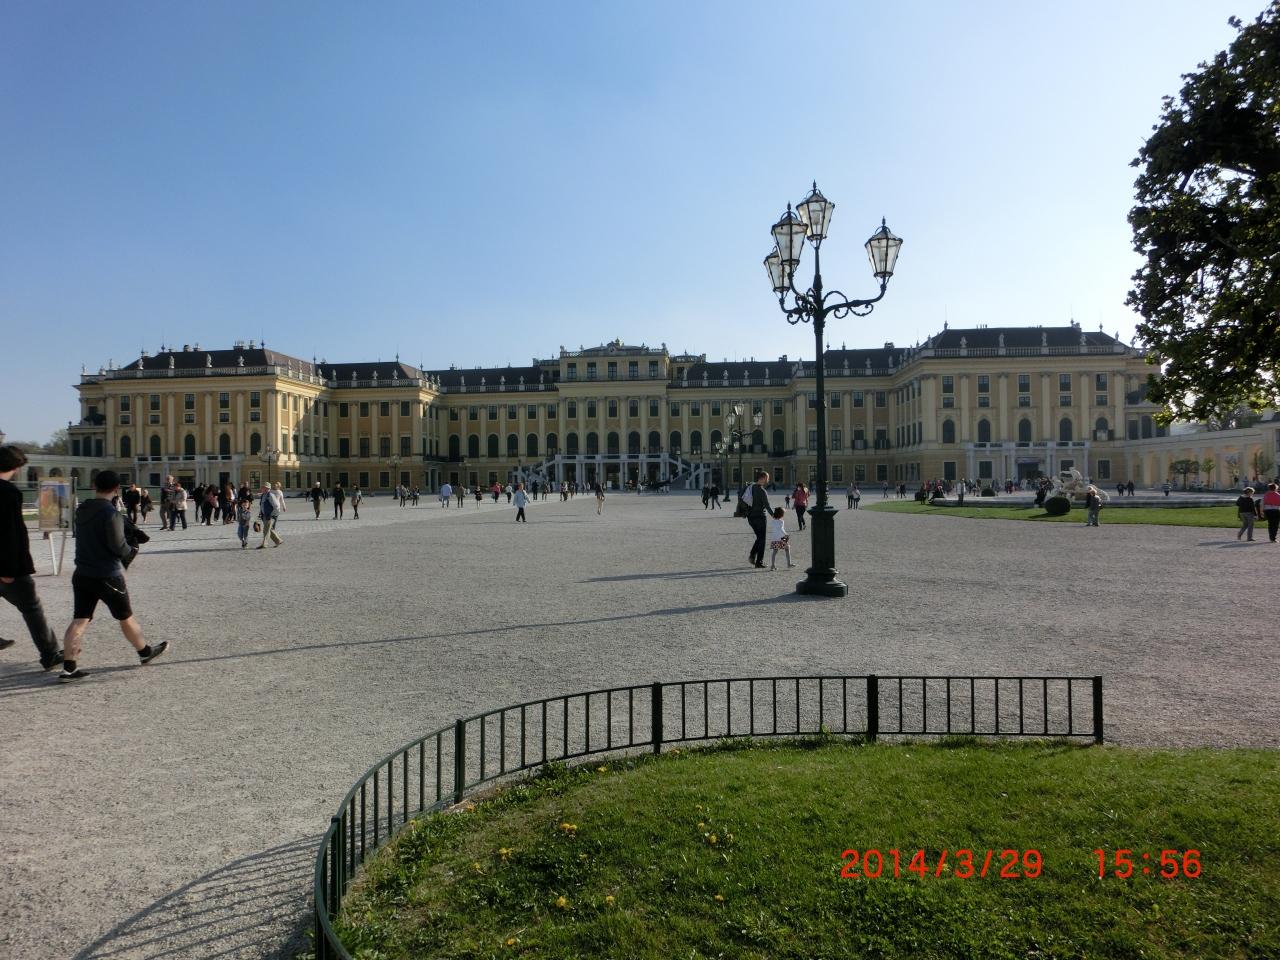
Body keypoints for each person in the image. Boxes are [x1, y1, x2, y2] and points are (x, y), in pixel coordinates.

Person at [57, 470, 167, 682]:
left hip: (82, 573)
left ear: (94, 486)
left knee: (80, 620)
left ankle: (69, 668)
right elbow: (118, 547)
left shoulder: (82, 509)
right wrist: (132, 546)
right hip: (107, 575)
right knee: (125, 617)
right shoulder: (111, 513)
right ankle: (145, 652)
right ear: (117, 489)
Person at [0, 445, 64, 671]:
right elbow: (10, 534)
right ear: (15, 467)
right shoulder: (7, 492)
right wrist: (8, 570)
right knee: (32, 608)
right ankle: (50, 654)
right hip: (9, 566)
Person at [745, 470, 772, 568]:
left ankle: (752, 555)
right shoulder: (762, 490)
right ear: (763, 478)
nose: (768, 480)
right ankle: (759, 562)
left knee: (759, 538)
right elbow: (767, 505)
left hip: (750, 517)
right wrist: (774, 515)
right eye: (767, 478)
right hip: (760, 517)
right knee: (762, 540)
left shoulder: (750, 487)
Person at [257, 483, 284, 548]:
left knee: (266, 530)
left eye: (263, 487)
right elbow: (262, 505)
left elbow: (276, 506)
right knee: (269, 529)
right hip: (264, 515)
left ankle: (264, 544)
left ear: (267, 488)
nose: (262, 488)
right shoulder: (263, 495)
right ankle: (278, 540)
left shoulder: (270, 495)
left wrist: (272, 515)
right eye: (262, 487)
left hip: (270, 515)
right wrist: (260, 513)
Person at [767, 506, 793, 570]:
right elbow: (781, 529)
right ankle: (789, 564)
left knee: (774, 552)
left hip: (774, 538)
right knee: (787, 549)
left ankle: (772, 565)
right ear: (781, 514)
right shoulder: (781, 521)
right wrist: (786, 534)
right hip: (782, 538)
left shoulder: (773, 521)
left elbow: (775, 529)